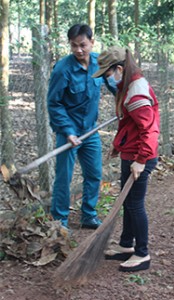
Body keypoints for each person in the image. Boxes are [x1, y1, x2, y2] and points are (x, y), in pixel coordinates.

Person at [93, 46, 160, 272]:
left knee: (134, 204)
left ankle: (142, 254)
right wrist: (117, 145)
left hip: (141, 156)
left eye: (107, 74)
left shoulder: (136, 92)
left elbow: (149, 131)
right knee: (127, 202)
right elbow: (127, 123)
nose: (106, 79)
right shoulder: (128, 86)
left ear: (119, 69)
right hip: (131, 153)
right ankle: (126, 245)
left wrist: (141, 160)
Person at [47, 24, 104, 230]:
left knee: (95, 174)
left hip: (91, 131)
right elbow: (54, 103)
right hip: (69, 132)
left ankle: (88, 215)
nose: (79, 50)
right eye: (74, 46)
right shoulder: (63, 69)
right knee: (64, 177)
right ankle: (60, 222)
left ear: (92, 42)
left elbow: (114, 84)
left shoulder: (99, 62)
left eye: (83, 45)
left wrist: (124, 102)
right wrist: (68, 132)